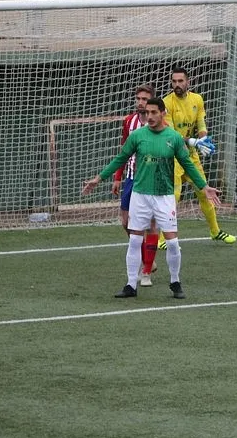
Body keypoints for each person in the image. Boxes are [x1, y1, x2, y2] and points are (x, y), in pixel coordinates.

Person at [82, 97, 221, 299]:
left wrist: (204, 186)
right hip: (140, 195)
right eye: (147, 113)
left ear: (163, 113)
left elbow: (188, 163)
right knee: (135, 240)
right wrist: (99, 178)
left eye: (154, 112)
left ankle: (175, 282)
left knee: (172, 243)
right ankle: (131, 285)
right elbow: (120, 158)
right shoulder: (137, 136)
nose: (150, 116)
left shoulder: (173, 137)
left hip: (164, 197)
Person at [162, 66, 236, 246]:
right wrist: (195, 142)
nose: (177, 84)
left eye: (181, 81)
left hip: (191, 156)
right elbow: (172, 134)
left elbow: (201, 124)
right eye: (174, 81)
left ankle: (215, 231)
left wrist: (204, 140)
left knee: (205, 192)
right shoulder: (166, 103)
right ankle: (161, 238)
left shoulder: (197, 99)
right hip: (173, 156)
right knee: (174, 196)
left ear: (188, 81)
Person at [112, 83, 158, 286]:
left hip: (151, 180)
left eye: (145, 99)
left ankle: (147, 268)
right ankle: (147, 260)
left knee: (150, 225)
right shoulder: (129, 121)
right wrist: (117, 177)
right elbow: (124, 150)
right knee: (125, 222)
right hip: (131, 178)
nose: (140, 102)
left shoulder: (156, 123)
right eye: (138, 99)